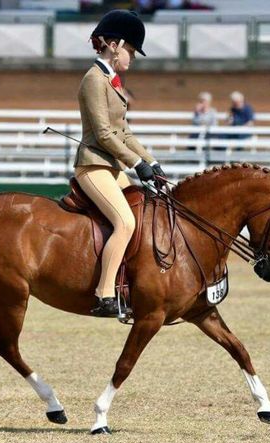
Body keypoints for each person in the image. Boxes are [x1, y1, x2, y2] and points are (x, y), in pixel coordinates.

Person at [73, 9, 166, 318]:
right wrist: (136, 163)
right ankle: (103, 294)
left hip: (112, 168)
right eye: (131, 51)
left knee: (145, 213)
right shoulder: (93, 80)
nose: (133, 58)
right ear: (115, 44)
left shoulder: (110, 81)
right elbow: (103, 132)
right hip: (94, 167)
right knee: (125, 222)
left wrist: (151, 162)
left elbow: (124, 131)